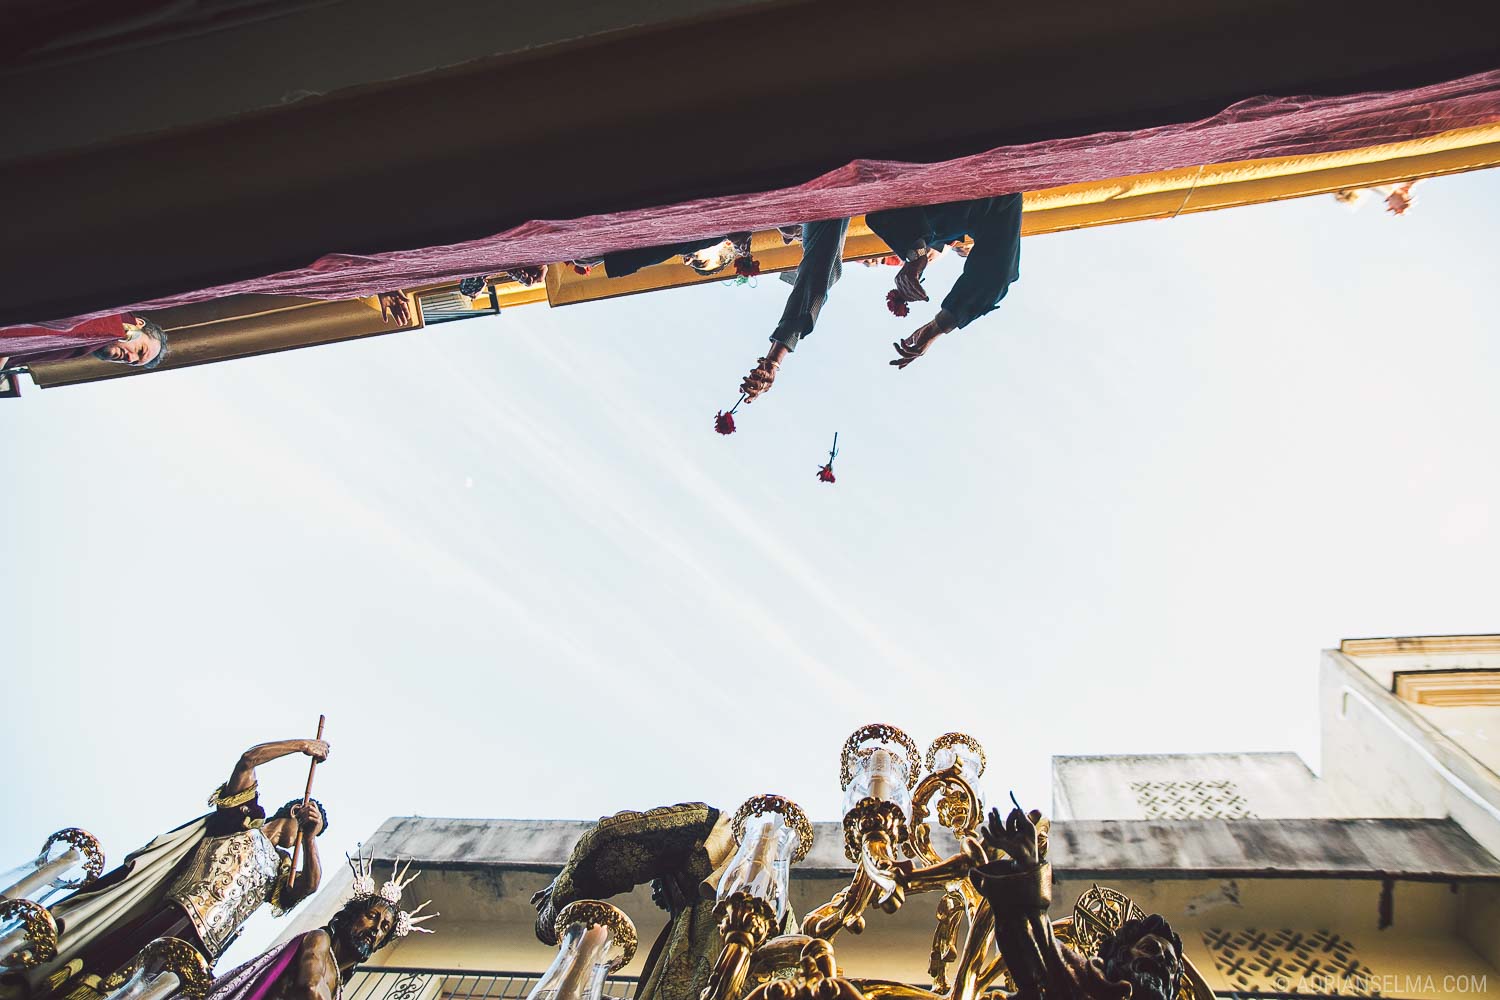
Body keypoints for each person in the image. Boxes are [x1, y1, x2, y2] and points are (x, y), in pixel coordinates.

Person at [16, 738, 331, 1000]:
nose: (301, 840)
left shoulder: (281, 869)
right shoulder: (242, 820)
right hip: (172, 916)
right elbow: (247, 760)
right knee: (109, 973)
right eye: (305, 828)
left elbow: (309, 886)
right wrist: (301, 746)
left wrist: (311, 839)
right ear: (295, 810)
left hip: (203, 949)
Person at [531, 802, 794, 1000]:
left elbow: (610, 839)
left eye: (659, 881)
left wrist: (556, 899)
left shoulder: (713, 831)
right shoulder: (787, 925)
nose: (656, 892)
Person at [969, 803, 1186, 1000]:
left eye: (1169, 963)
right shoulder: (1083, 983)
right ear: (1120, 956)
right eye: (1149, 947)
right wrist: (1026, 868)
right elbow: (1039, 946)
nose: (1159, 959)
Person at [196, 855, 433, 1000]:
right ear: (351, 917)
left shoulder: (338, 985)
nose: (376, 929)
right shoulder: (320, 941)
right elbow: (309, 985)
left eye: (384, 927)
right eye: (372, 916)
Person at [0, 315, 168, 373]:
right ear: (138, 324)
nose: (129, 358)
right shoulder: (105, 318)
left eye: (133, 362)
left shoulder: (88, 344)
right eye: (140, 350)